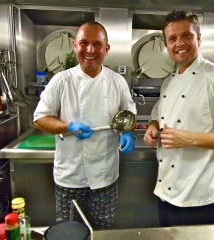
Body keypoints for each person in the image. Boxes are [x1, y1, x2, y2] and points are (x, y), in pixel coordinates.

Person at [143, 10, 214, 227]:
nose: (179, 43)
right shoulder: (170, 80)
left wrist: (189, 139)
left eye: (186, 36)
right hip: (165, 192)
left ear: (198, 39)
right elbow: (157, 115)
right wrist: (152, 128)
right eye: (172, 39)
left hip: (197, 199)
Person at [33, 21, 136, 229]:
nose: (90, 50)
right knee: (69, 232)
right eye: (84, 43)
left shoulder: (117, 81)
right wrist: (67, 127)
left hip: (105, 176)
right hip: (71, 176)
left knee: (102, 231)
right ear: (74, 45)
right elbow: (40, 117)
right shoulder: (61, 81)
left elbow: (128, 112)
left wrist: (127, 132)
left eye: (97, 44)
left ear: (106, 49)